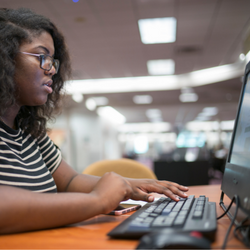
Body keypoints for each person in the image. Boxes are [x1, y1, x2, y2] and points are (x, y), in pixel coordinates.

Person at [0, 7, 189, 234]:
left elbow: (70, 181)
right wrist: (98, 201)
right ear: (5, 59)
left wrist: (128, 185)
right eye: (42, 57)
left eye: (52, 60)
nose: (51, 70)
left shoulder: (31, 132)